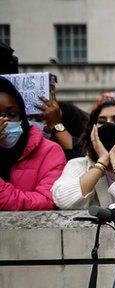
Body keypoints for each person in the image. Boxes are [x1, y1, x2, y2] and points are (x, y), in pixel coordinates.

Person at [0, 76, 63, 210]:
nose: (4, 122)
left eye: (11, 114)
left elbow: (46, 201)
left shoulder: (49, 152)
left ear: (21, 115)